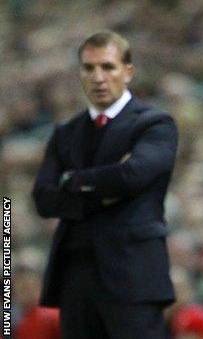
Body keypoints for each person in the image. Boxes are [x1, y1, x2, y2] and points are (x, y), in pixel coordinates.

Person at [32, 31, 178, 338]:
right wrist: (103, 190)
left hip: (133, 275)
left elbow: (134, 175)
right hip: (75, 276)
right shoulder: (66, 132)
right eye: (89, 68)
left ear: (128, 71)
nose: (98, 77)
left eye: (108, 67)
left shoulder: (154, 123)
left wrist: (72, 180)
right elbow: (43, 198)